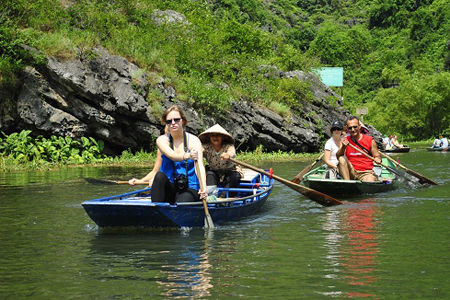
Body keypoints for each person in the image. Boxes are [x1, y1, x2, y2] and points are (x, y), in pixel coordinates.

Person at [128, 105, 207, 203]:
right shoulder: (162, 140)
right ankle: (156, 210)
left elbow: (200, 167)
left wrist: (203, 187)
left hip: (189, 188)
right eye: (169, 121)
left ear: (183, 120)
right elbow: (170, 158)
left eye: (176, 120)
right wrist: (141, 181)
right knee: (160, 176)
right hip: (171, 187)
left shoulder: (194, 141)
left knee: (181, 202)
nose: (173, 123)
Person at [198, 124, 244, 197]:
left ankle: (225, 197)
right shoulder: (207, 147)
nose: (215, 138)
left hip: (230, 171)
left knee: (233, 177)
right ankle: (211, 197)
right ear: (209, 137)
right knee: (209, 174)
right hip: (214, 171)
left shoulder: (228, 146)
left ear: (223, 137)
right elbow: (199, 151)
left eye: (218, 135)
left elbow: (231, 152)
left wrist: (227, 155)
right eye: (212, 135)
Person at [336, 116, 382, 182]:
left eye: (355, 127)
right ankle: (348, 184)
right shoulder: (345, 140)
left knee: (370, 180)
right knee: (341, 158)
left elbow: (378, 157)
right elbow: (338, 156)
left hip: (366, 173)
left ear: (359, 126)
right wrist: (343, 147)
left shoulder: (370, 140)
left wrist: (378, 159)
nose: (353, 130)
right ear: (347, 128)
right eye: (350, 128)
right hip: (351, 171)